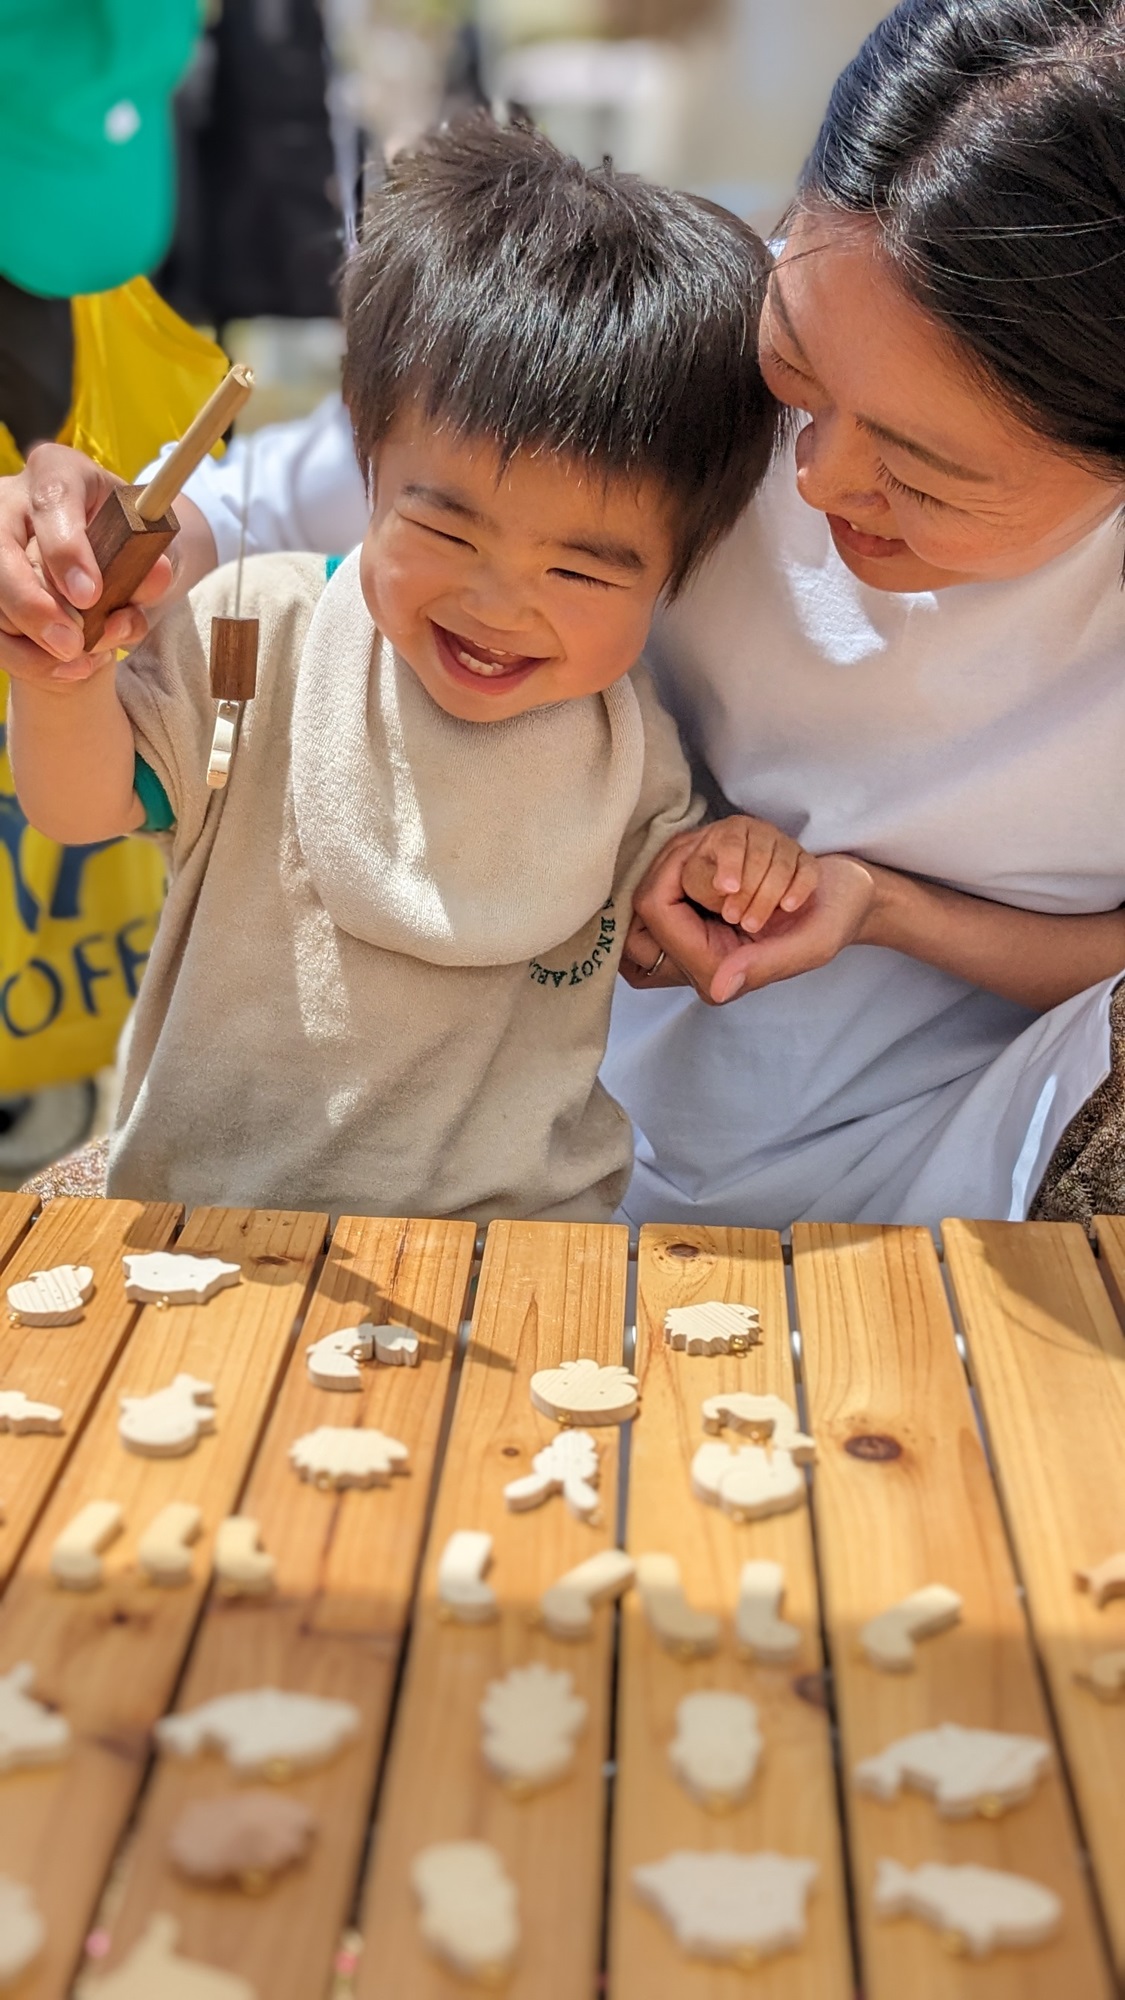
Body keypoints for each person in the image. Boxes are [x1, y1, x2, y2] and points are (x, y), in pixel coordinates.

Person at [7, 0, 1125, 1231]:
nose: (811, 477)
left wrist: (892, 907)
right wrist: (72, 542)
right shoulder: (678, 379)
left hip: (979, 1170)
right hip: (556, 1160)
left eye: (920, 472)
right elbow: (273, 500)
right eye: (798, 373)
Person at [7, 119, 800, 1221]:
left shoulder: (630, 742)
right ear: (368, 460)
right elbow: (82, 804)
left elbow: (666, 925)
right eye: (450, 531)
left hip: (528, 1249)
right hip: (213, 1227)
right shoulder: (259, 628)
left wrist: (729, 869)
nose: (499, 603)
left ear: (677, 574)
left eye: (580, 571)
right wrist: (61, 683)